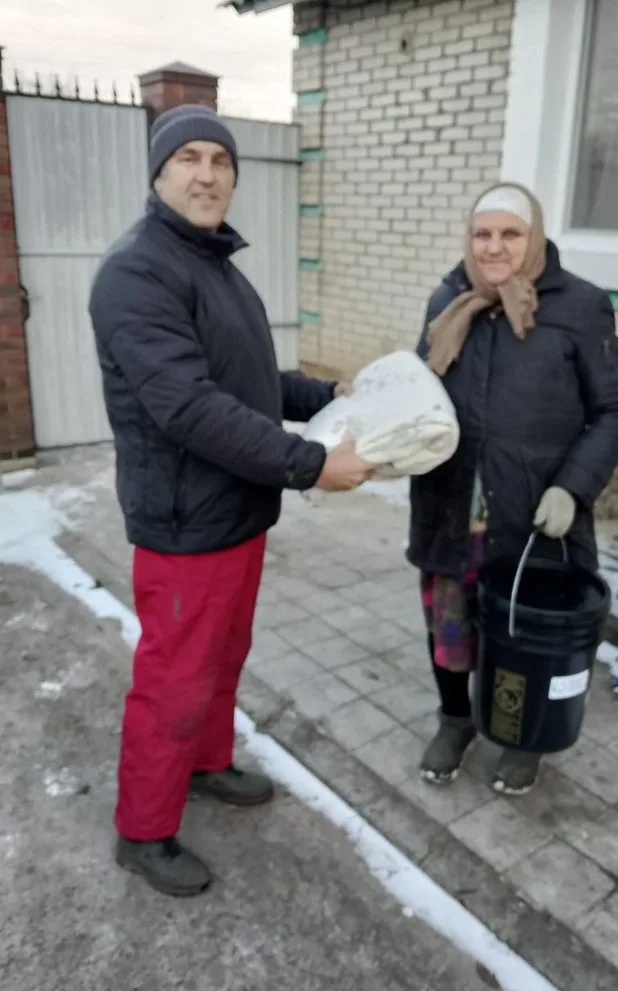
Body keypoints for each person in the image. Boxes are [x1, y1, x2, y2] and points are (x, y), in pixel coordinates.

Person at [89, 104, 373, 897]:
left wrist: (322, 393)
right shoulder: (136, 273)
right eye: (190, 159)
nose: (208, 173)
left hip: (235, 514)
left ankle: (207, 763)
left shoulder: (213, 265)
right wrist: (311, 465)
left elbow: (242, 382)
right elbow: (187, 406)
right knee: (173, 679)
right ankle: (143, 830)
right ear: (159, 172)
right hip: (184, 526)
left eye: (221, 159)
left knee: (222, 658)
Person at [408, 183, 618, 796]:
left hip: (538, 515)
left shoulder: (580, 307)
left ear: (533, 237)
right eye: (483, 234)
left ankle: (524, 736)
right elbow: (419, 392)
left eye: (510, 233)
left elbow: (615, 411)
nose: (494, 246)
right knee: (450, 629)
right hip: (454, 505)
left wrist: (573, 487)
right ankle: (456, 721)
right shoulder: (448, 299)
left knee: (527, 637)